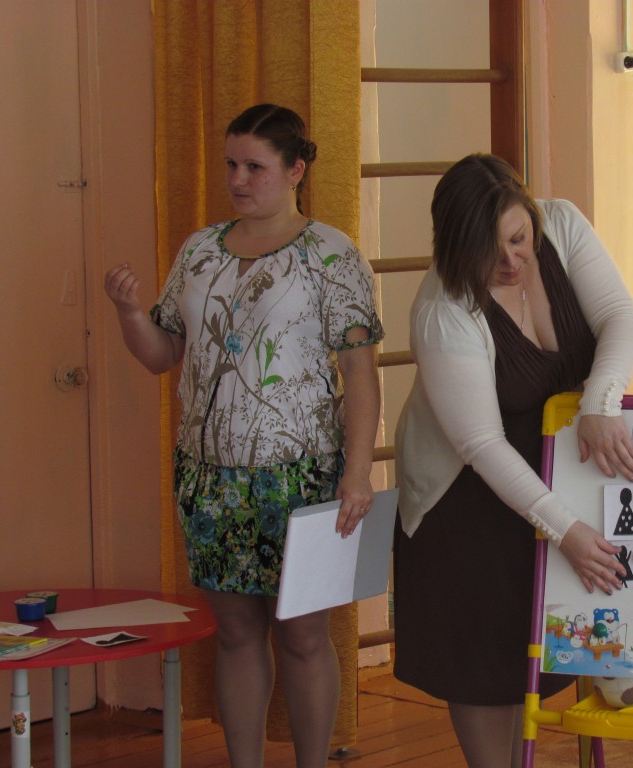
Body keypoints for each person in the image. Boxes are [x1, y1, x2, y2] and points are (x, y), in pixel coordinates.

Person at [103, 104, 383, 768]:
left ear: (295, 170)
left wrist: (357, 472)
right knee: (235, 634)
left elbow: (360, 372)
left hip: (303, 475)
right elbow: (162, 354)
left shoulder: (331, 254)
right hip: (209, 476)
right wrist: (127, 312)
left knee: (304, 636)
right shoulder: (200, 250)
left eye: (255, 166)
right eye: (231, 164)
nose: (237, 179)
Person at [393, 153, 633, 767]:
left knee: (539, 650)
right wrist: (567, 531)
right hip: (467, 497)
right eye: (489, 250)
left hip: (552, 472)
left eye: (518, 238)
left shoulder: (563, 225)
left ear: (531, 217)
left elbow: (619, 316)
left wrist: (601, 400)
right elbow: (480, 444)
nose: (510, 260)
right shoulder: (443, 308)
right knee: (485, 666)